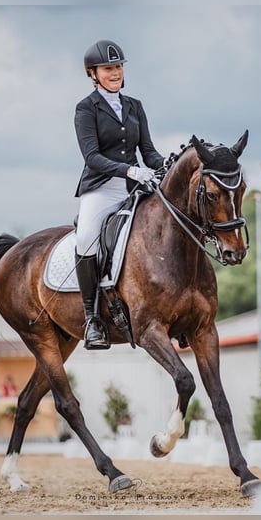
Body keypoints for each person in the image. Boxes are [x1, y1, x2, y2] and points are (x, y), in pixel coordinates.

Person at [73, 39, 165, 349]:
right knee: (86, 237)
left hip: (135, 188)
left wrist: (166, 166)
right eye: (109, 68)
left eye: (119, 67)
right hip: (101, 187)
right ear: (93, 73)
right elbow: (92, 156)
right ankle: (91, 319)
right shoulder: (86, 108)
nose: (116, 73)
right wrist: (129, 170)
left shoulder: (134, 106)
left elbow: (148, 151)